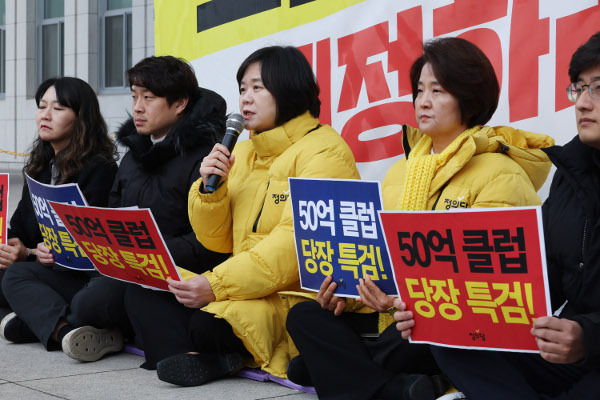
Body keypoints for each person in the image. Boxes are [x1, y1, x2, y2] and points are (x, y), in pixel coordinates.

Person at [286, 37, 555, 400]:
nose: (422, 101)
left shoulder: (499, 172)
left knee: (318, 363)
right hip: (391, 319)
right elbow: (379, 259)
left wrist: (402, 301)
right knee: (305, 318)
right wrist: (347, 295)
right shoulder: (401, 171)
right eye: (419, 90)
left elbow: (491, 286)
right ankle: (397, 389)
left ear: (469, 99)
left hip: (453, 327)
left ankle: (350, 375)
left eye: (438, 91)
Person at [122, 45, 361, 385]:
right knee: (146, 291)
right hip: (241, 285)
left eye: (257, 88)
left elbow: (293, 245)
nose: (246, 99)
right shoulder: (244, 148)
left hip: (291, 296)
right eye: (243, 89)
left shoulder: (324, 152)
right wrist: (209, 190)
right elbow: (216, 239)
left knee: (207, 324)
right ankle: (209, 357)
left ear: (288, 89)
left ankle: (207, 354)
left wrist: (215, 285)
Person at [2, 56, 230, 362]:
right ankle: (63, 328)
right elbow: (108, 217)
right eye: (134, 96)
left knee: (91, 302)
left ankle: (45, 321)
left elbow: (212, 239)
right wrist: (43, 250)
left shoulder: (207, 160)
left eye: (148, 98)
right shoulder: (134, 155)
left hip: (170, 272)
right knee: (17, 275)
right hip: (120, 268)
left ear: (179, 104)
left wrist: (149, 254)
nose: (137, 107)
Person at [421, 32, 600, 400]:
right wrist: (441, 308)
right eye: (578, 88)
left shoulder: (500, 171)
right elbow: (537, 276)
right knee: (450, 337)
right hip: (568, 347)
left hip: (590, 342)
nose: (582, 103)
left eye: (598, 88)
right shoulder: (572, 172)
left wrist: (591, 336)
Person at [0, 77, 118, 348]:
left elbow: (94, 245)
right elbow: (19, 228)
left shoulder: (99, 168)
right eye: (42, 106)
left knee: (17, 278)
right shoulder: (40, 166)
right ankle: (34, 318)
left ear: (81, 117)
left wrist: (29, 254)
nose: (45, 115)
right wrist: (12, 245)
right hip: (42, 267)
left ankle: (62, 331)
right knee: (8, 271)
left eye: (58, 108)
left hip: (81, 276)